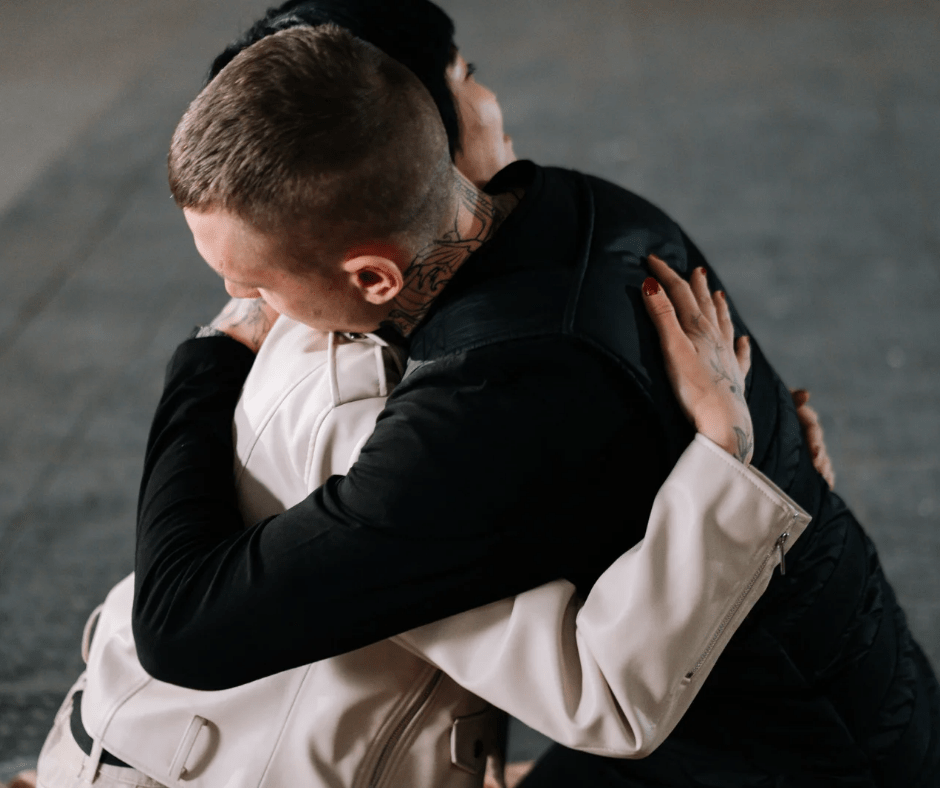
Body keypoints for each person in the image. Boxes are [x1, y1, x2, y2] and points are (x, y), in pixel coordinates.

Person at [131, 8, 938, 788]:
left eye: (252, 287)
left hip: (785, 750)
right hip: (812, 672)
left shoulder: (483, 405)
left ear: (374, 276)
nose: (242, 305)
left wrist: (207, 360)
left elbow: (182, 627)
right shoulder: (579, 207)